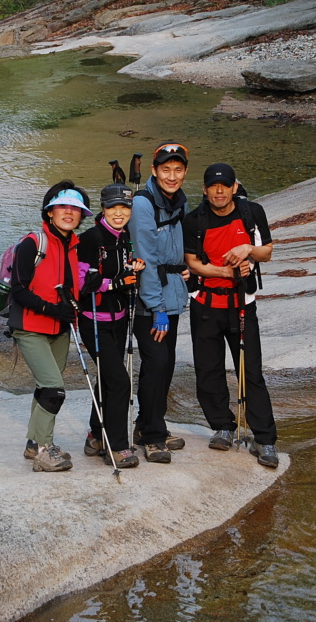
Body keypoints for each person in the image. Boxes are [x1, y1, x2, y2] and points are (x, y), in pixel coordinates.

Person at [183, 163, 279, 469]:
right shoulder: (194, 220)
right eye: (213, 186)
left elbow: (267, 252)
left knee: (251, 371)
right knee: (208, 369)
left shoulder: (252, 213)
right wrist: (226, 270)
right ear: (205, 189)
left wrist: (247, 248)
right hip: (206, 304)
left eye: (225, 186)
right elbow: (193, 263)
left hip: (241, 303)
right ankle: (222, 426)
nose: (220, 191)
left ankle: (264, 439)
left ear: (234, 187)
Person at [9, 180, 91, 472]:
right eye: (62, 207)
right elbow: (18, 289)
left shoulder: (74, 246)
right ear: (50, 212)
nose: (69, 213)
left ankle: (35, 444)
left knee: (45, 388)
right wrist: (50, 308)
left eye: (75, 209)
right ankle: (44, 451)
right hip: (30, 325)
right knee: (54, 389)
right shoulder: (34, 243)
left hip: (59, 328)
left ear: (82, 215)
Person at [126, 142, 191, 463]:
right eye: (166, 169)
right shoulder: (143, 204)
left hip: (173, 293)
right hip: (149, 302)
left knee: (166, 364)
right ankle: (151, 437)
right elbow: (146, 258)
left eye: (178, 170)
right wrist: (157, 309)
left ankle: (149, 424)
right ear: (154, 171)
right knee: (156, 363)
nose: (172, 175)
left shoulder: (178, 201)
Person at [76, 183, 146, 469]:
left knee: (107, 379)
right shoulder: (91, 239)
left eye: (125, 207)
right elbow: (82, 283)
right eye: (113, 207)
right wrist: (116, 282)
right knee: (120, 382)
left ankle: (95, 434)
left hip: (118, 321)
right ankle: (116, 446)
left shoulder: (125, 236)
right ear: (102, 209)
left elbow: (123, 266)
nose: (119, 213)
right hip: (94, 322)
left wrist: (133, 266)